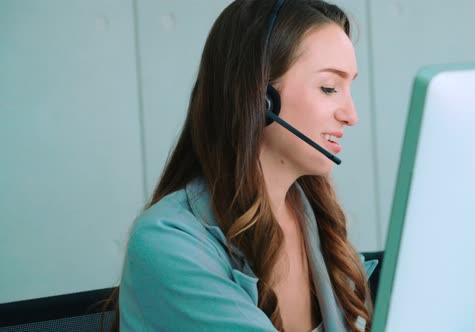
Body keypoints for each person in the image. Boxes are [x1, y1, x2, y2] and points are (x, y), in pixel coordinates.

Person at [105, 0, 377, 331]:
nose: (351, 115)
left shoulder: (314, 217)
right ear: (261, 99)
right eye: (329, 88)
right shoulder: (169, 243)